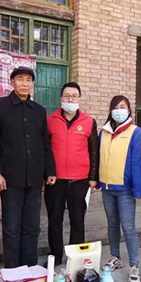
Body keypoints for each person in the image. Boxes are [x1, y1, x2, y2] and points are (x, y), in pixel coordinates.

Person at [0, 67, 56, 268]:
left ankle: (29, 268)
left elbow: (45, 144)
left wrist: (50, 171)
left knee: (32, 226)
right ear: (12, 82)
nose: (25, 83)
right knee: (12, 227)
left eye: (29, 80)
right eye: (20, 79)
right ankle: (13, 269)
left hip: (34, 177)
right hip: (10, 178)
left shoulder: (39, 110)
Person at [45, 82, 99, 266]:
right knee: (54, 220)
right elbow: (45, 149)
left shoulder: (89, 122)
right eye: (67, 96)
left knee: (77, 221)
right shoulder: (50, 120)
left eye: (74, 96)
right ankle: (55, 255)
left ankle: (75, 258)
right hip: (55, 180)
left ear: (79, 99)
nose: (70, 99)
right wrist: (47, 173)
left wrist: (93, 177)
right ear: (61, 98)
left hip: (80, 181)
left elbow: (94, 150)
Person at [98, 95, 141, 282]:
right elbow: (99, 157)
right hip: (107, 187)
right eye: (116, 107)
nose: (119, 110)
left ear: (129, 110)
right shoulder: (104, 132)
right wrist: (97, 180)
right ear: (111, 110)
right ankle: (115, 256)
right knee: (112, 224)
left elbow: (137, 162)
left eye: (123, 106)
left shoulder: (135, 132)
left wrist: (138, 189)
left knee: (129, 227)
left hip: (125, 189)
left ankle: (134, 265)